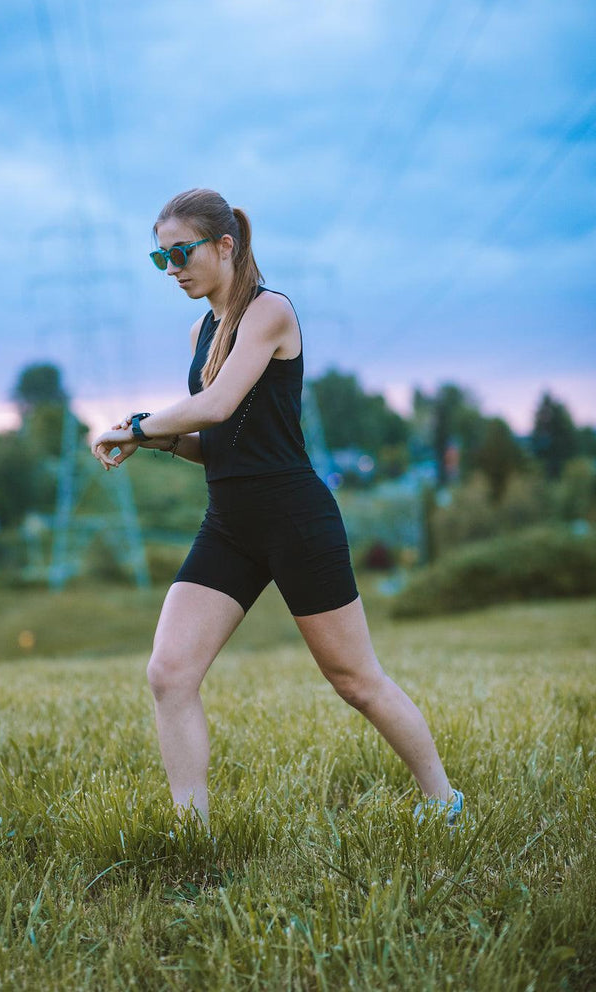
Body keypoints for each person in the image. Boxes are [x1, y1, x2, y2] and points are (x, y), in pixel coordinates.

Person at [91, 188, 464, 832]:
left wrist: (139, 425)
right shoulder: (200, 330)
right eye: (161, 259)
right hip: (231, 525)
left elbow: (218, 405)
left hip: (294, 519)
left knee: (355, 681)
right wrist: (158, 443)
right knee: (169, 672)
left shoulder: (269, 311)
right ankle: (192, 832)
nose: (172, 268)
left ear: (225, 244)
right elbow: (221, 444)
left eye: (181, 252)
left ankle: (444, 800)